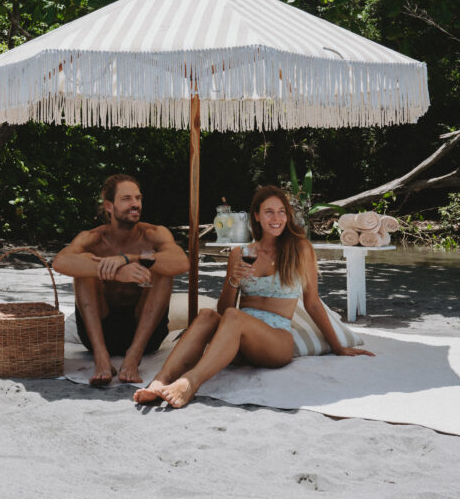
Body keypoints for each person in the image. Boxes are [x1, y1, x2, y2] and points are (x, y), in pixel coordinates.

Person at [134, 184, 374, 409]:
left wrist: (338, 347)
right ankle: (160, 380)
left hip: (275, 343)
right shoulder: (240, 253)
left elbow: (312, 303)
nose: (276, 218)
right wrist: (233, 281)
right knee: (207, 315)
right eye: (269, 212)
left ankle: (190, 382)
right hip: (237, 343)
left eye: (281, 212)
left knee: (234, 317)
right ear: (256, 216)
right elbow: (224, 308)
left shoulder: (300, 250)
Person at [53, 174, 189, 386]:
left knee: (161, 268)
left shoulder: (153, 233)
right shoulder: (93, 238)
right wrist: (114, 271)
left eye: (138, 198)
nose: (135, 204)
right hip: (100, 333)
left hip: (146, 334)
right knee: (83, 269)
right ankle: (101, 358)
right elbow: (60, 262)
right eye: (126, 199)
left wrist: (129, 259)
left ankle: (132, 357)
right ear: (109, 206)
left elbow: (181, 262)